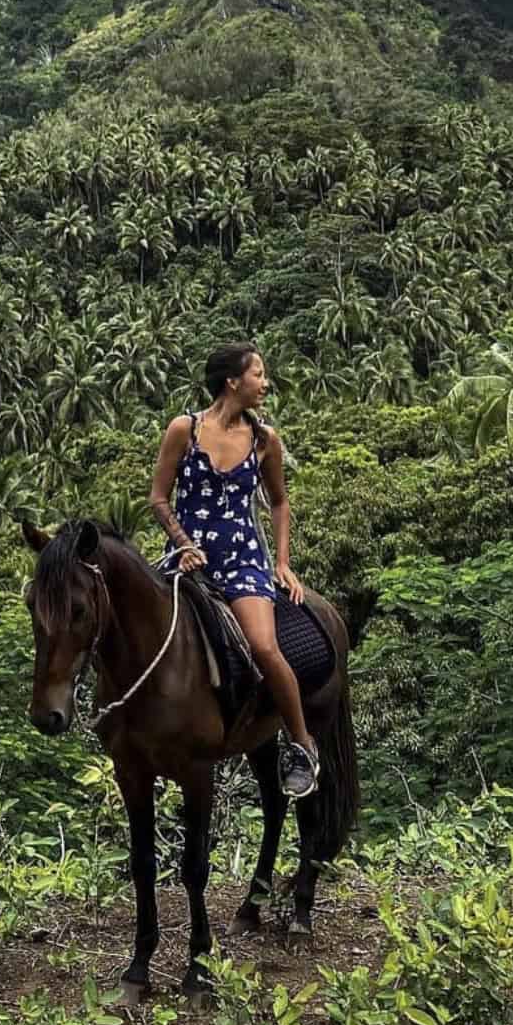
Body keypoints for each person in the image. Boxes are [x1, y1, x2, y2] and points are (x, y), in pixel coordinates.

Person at [149, 342, 320, 798]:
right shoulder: (183, 429)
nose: (265, 384)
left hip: (244, 560)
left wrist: (282, 563)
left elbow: (280, 502)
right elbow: (158, 498)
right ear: (232, 381)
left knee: (264, 647)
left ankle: (302, 745)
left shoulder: (266, 441)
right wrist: (183, 544)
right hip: (185, 559)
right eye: (259, 375)